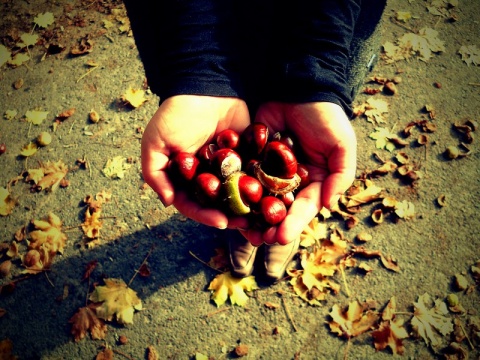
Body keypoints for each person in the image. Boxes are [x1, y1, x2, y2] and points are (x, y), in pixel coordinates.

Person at [123, 0, 386, 281]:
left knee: (296, 130)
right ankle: (245, 226)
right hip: (191, 26)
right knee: (239, 119)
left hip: (331, 32)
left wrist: (315, 75)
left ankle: (268, 221)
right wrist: (199, 70)